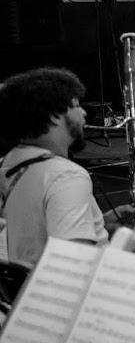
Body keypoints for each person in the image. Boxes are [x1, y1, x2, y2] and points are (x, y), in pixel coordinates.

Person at [0, 67, 106, 270]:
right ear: (56, 115)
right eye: (76, 105)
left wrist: (99, 221)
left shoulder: (7, 163)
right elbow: (72, 265)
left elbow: (29, 231)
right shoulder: (66, 176)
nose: (83, 112)